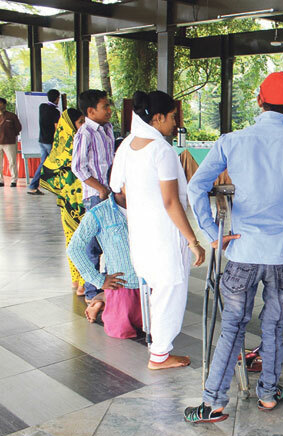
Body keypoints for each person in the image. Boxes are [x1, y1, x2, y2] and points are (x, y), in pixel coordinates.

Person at [183, 72, 283, 423]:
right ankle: (268, 394)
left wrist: (212, 232)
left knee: (232, 327)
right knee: (274, 325)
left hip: (242, 252)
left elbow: (196, 187)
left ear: (259, 101)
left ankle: (213, 403)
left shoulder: (231, 141)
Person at [110, 90, 204, 369]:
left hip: (141, 234)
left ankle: (158, 347)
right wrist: (192, 240)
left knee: (157, 289)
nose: (176, 124)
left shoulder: (127, 146)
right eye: (173, 117)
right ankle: (159, 355)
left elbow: (120, 189)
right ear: (159, 117)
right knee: (170, 291)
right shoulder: (161, 150)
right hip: (164, 235)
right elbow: (170, 200)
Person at [67, 189, 142, 338]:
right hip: (123, 285)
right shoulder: (99, 213)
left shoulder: (148, 205)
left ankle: (102, 299)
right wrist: (99, 281)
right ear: (117, 185)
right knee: (122, 332)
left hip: (151, 284)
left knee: (160, 329)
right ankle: (103, 299)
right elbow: (74, 248)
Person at [72, 89, 114, 306]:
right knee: (93, 246)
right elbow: (78, 167)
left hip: (109, 195)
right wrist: (100, 189)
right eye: (104, 106)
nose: (109, 110)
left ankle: (106, 289)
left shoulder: (107, 129)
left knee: (110, 243)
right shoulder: (85, 133)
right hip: (96, 197)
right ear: (91, 110)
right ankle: (91, 293)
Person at [39, 108, 87, 294]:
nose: (82, 126)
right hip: (75, 201)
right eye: (80, 122)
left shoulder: (60, 147)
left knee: (75, 240)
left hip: (70, 200)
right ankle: (81, 281)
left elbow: (50, 169)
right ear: (70, 125)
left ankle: (77, 280)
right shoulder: (76, 145)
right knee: (80, 241)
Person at [28, 89, 61, 195]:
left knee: (43, 164)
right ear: (57, 99)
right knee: (58, 164)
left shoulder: (42, 107)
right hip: (50, 142)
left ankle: (33, 186)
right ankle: (57, 186)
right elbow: (57, 127)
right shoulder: (55, 112)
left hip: (41, 140)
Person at [0, 97, 22, 188]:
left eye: (1, 103)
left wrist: (11, 135)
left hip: (9, 142)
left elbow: (19, 128)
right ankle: (1, 180)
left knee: (12, 162)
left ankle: (14, 180)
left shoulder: (11, 116)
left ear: (4, 105)